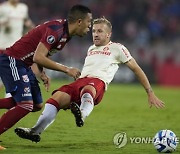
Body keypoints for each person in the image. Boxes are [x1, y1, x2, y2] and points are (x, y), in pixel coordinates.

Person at [14, 17, 164, 143]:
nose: (95, 34)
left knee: (89, 89)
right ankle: (35, 131)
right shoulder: (91, 48)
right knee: (56, 98)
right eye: (93, 31)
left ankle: (82, 115)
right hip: (80, 81)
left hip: (97, 83)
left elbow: (136, 69)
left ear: (108, 34)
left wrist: (149, 92)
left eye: (100, 31)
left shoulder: (118, 48)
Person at [0, 4, 92, 148]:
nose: (90, 27)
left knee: (36, 105)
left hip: (24, 64)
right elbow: (38, 57)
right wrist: (66, 69)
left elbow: (41, 53)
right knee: (25, 104)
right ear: (79, 21)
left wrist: (42, 72)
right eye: (89, 22)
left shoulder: (66, 34)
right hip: (13, 60)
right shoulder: (57, 30)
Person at [0, 0, 35, 98]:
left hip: (16, 48)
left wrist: (31, 27)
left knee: (13, 77)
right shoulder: (2, 8)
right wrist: (3, 24)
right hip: (2, 46)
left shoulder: (23, 8)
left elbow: (26, 20)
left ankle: (10, 100)